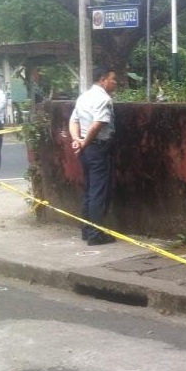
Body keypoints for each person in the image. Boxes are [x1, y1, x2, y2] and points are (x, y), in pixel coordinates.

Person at [69, 66, 118, 246]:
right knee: (98, 191)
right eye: (112, 79)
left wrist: (77, 139)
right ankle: (95, 234)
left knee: (89, 189)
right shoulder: (103, 99)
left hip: (87, 149)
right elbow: (98, 124)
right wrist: (84, 141)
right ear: (103, 79)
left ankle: (86, 230)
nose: (115, 83)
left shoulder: (84, 97)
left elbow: (73, 121)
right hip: (98, 147)